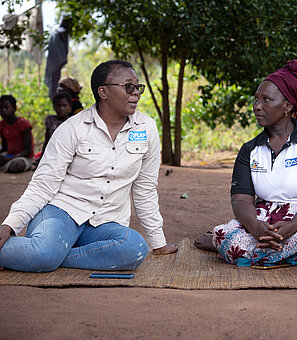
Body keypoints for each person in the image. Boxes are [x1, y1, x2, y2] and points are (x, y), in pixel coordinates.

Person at [0, 60, 177, 272]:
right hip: (62, 212)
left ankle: (54, 255)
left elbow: (145, 188)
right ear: (103, 92)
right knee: (43, 253)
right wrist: (10, 225)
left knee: (134, 248)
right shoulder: (72, 128)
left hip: (105, 223)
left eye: (138, 87)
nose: (136, 93)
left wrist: (157, 242)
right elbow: (42, 185)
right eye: (128, 86)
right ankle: (47, 253)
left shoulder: (147, 128)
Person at [195, 60, 297, 267]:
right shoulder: (249, 150)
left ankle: (250, 254)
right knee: (232, 239)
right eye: (256, 99)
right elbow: (241, 199)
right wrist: (255, 227)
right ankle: (279, 254)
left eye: (266, 100)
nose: (257, 106)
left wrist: (293, 226)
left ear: (287, 106)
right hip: (262, 218)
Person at [33, 92, 72, 168]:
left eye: (64, 106)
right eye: (58, 106)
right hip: (52, 154)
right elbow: (47, 140)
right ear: (54, 107)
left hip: (67, 155)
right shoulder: (50, 120)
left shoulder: (73, 121)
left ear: (70, 107)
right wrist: (42, 159)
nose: (61, 109)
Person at [0, 95, 34, 173]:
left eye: (6, 107)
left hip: (23, 157)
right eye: (1, 108)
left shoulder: (23, 124)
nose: (3, 110)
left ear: (14, 108)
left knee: (17, 165)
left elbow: (27, 151)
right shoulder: (2, 125)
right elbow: (5, 147)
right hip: (9, 155)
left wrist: (10, 159)